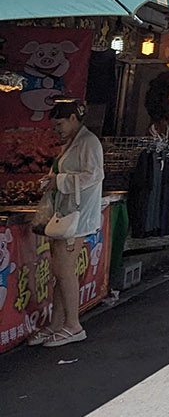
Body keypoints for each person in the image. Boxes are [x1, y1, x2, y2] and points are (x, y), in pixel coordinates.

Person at [30, 99, 105, 349]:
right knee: (60, 272)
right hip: (66, 213)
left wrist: (59, 181)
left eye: (60, 124)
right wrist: (54, 180)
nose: (57, 129)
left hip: (78, 216)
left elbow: (94, 175)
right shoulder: (72, 142)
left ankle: (73, 325)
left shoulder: (89, 142)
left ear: (74, 118)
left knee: (64, 271)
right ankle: (56, 324)